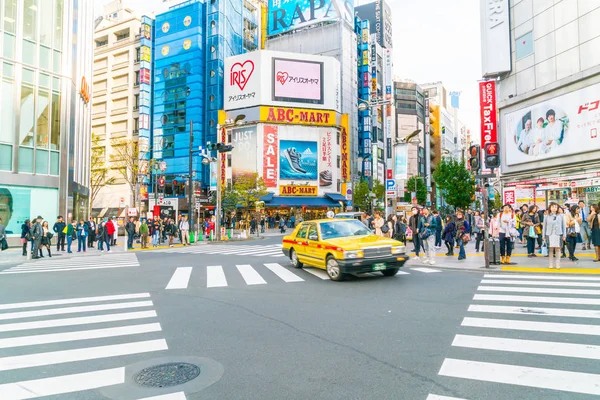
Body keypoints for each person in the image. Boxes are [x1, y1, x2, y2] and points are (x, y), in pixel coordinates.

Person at [543, 202, 566, 269]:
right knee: (550, 249)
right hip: (549, 234)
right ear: (550, 208)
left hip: (558, 234)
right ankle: (550, 264)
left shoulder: (561, 216)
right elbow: (544, 227)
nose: (554, 208)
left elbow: (563, 226)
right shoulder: (546, 216)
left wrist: (564, 235)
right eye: (553, 207)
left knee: (558, 249)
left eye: (556, 207)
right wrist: (543, 236)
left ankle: (558, 264)